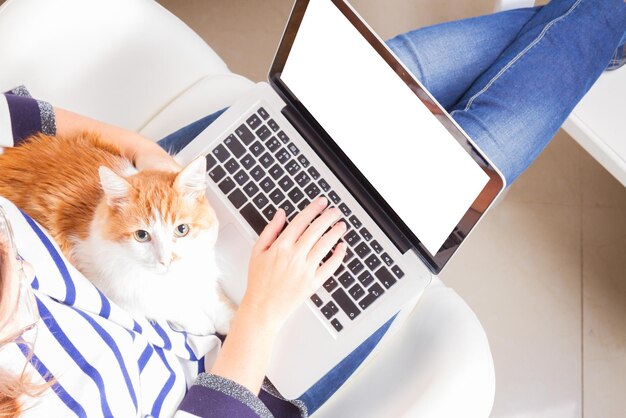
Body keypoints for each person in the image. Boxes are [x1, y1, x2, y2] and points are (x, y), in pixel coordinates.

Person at [1, 0, 625, 416]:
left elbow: (15, 118)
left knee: (363, 89)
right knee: (464, 160)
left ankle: (597, 25)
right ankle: (600, 23)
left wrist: (143, 154)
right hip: (240, 361)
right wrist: (263, 313)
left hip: (149, 214)